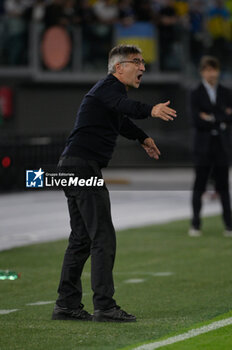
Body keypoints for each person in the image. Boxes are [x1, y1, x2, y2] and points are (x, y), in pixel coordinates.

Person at [51, 44, 177, 323]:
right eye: (137, 62)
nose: (143, 67)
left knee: (82, 238)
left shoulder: (107, 93)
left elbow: (120, 120)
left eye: (143, 62)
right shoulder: (111, 88)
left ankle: (66, 304)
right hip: (83, 168)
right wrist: (152, 110)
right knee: (102, 237)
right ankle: (105, 306)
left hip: (72, 165)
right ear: (118, 68)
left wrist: (142, 137)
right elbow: (124, 108)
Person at [189, 55, 232, 237]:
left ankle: (229, 225)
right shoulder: (195, 93)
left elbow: (229, 117)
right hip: (203, 146)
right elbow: (196, 120)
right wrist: (221, 118)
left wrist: (210, 117)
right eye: (207, 70)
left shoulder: (226, 92)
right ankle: (196, 224)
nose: (211, 73)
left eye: (214, 69)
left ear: (218, 71)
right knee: (199, 185)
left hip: (221, 145)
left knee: (223, 186)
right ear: (202, 72)